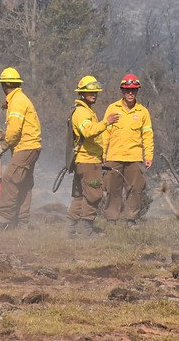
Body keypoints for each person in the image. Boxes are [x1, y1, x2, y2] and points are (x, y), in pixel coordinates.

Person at [67, 76, 120, 236]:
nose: (94, 95)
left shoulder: (86, 111)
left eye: (95, 92)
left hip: (88, 160)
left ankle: (70, 229)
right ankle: (85, 230)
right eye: (90, 92)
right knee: (94, 194)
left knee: (80, 196)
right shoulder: (82, 112)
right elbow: (88, 132)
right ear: (82, 93)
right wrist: (106, 122)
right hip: (88, 162)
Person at [102, 74, 154, 227]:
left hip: (134, 158)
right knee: (112, 189)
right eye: (127, 90)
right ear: (122, 91)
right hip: (114, 157)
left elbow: (147, 135)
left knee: (135, 189)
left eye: (133, 90)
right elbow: (105, 133)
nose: (130, 93)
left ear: (137, 91)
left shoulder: (143, 112)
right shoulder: (112, 108)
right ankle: (111, 219)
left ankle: (131, 219)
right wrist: (102, 154)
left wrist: (148, 155)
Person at [0, 67, 41, 230]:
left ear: (4, 86)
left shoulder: (17, 101)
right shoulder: (18, 99)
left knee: (9, 178)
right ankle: (22, 222)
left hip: (26, 147)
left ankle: (5, 217)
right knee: (23, 184)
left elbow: (14, 131)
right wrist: (5, 135)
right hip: (31, 147)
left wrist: (4, 145)